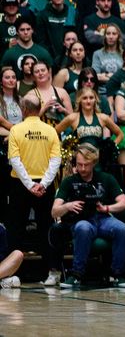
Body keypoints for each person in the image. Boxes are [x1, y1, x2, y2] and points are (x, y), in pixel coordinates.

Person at [51, 143, 125, 288]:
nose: (82, 169)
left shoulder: (106, 178)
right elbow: (54, 211)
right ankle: (76, 275)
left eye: (86, 165)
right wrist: (68, 206)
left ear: (94, 163)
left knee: (121, 229)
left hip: (102, 218)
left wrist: (107, 208)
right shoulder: (69, 182)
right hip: (80, 219)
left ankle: (117, 274)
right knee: (83, 228)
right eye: (79, 164)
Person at [6, 96, 61, 282]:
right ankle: (50, 272)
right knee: (46, 227)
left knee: (16, 229)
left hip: (20, 184)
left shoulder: (16, 130)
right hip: (44, 186)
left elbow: (14, 159)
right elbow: (56, 160)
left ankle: (12, 274)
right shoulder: (51, 130)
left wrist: (29, 185)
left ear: (23, 109)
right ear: (39, 109)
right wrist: (42, 184)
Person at [0, 223, 23, 289]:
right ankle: (4, 282)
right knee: (15, 281)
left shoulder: (1, 228)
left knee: (18, 254)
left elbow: (2, 254)